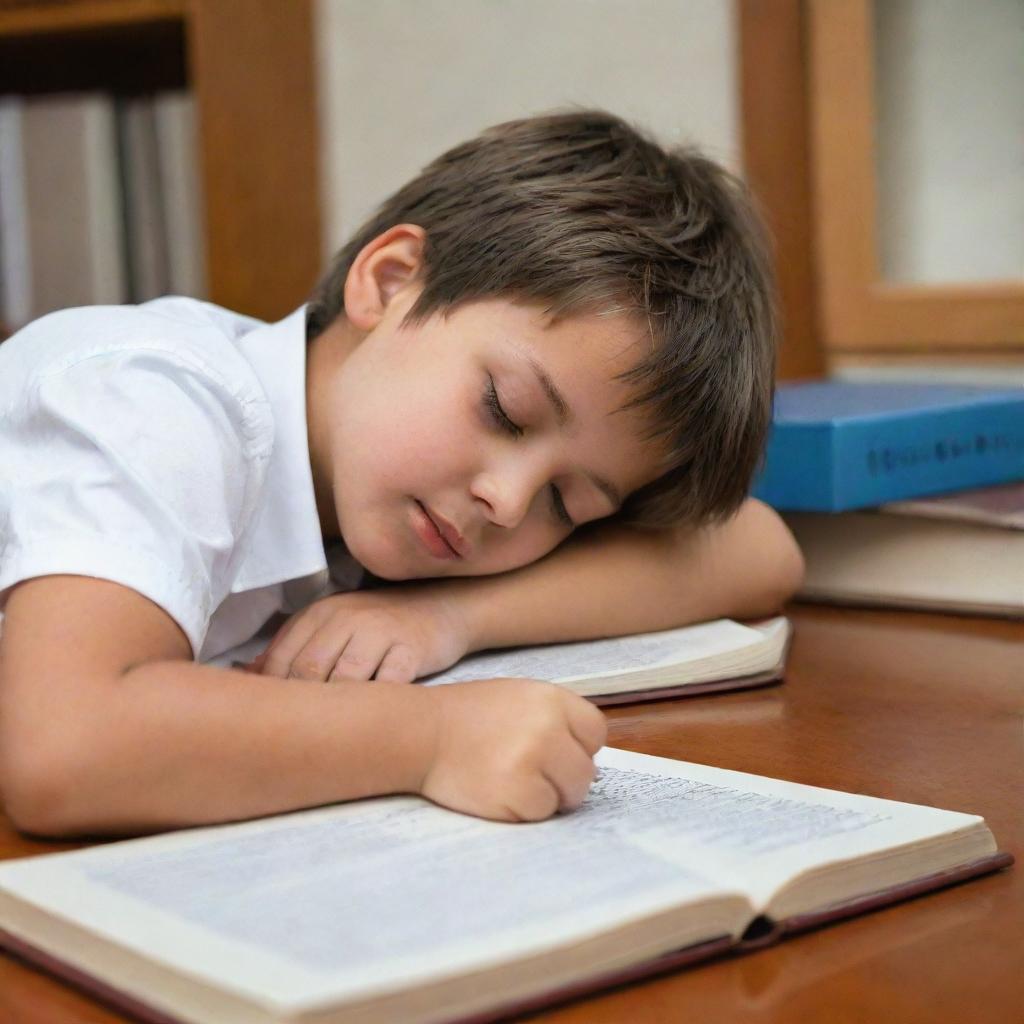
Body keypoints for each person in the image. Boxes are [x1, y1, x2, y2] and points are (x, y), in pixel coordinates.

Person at [0, 110, 802, 838]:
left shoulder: (375, 489)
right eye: (505, 409)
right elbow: (65, 746)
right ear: (388, 283)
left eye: (568, 503)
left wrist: (447, 618)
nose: (509, 500)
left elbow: (757, 550)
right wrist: (434, 739)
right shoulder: (156, 398)